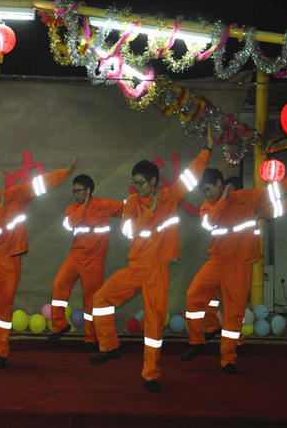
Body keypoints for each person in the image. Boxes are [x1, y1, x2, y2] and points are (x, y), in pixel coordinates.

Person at [89, 134, 213, 393]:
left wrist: (207, 150)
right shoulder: (132, 203)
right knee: (100, 299)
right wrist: (149, 211)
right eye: (134, 183)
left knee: (154, 325)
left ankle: (150, 374)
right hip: (136, 268)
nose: (136, 187)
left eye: (141, 182)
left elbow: (191, 176)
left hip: (158, 270)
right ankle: (110, 347)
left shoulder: (170, 196)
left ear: (154, 181)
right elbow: (128, 231)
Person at [182, 168, 287, 374]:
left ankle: (228, 359)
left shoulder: (248, 198)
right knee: (193, 296)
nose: (208, 194)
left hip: (240, 265)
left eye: (209, 189)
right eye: (205, 191)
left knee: (234, 312)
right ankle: (197, 342)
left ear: (219, 183)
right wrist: (223, 200)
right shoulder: (208, 205)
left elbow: (276, 192)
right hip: (217, 263)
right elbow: (209, 223)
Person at [0, 157, 78, 368]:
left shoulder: (15, 194)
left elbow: (40, 184)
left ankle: (0, 353)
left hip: (10, 262)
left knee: (3, 310)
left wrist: (65, 172)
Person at [202, 177, 287, 343]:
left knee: (235, 306)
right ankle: (213, 328)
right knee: (210, 297)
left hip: (239, 264)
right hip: (220, 263)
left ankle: (234, 340)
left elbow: (278, 208)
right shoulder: (217, 207)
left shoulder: (250, 205)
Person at [48, 174, 124, 350]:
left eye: (78, 191)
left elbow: (126, 207)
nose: (75, 194)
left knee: (91, 300)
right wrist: (83, 206)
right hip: (75, 257)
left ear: (88, 190)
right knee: (59, 285)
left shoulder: (104, 205)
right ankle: (60, 325)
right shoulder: (73, 208)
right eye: (73, 191)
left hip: (95, 262)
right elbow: (70, 224)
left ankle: (91, 337)